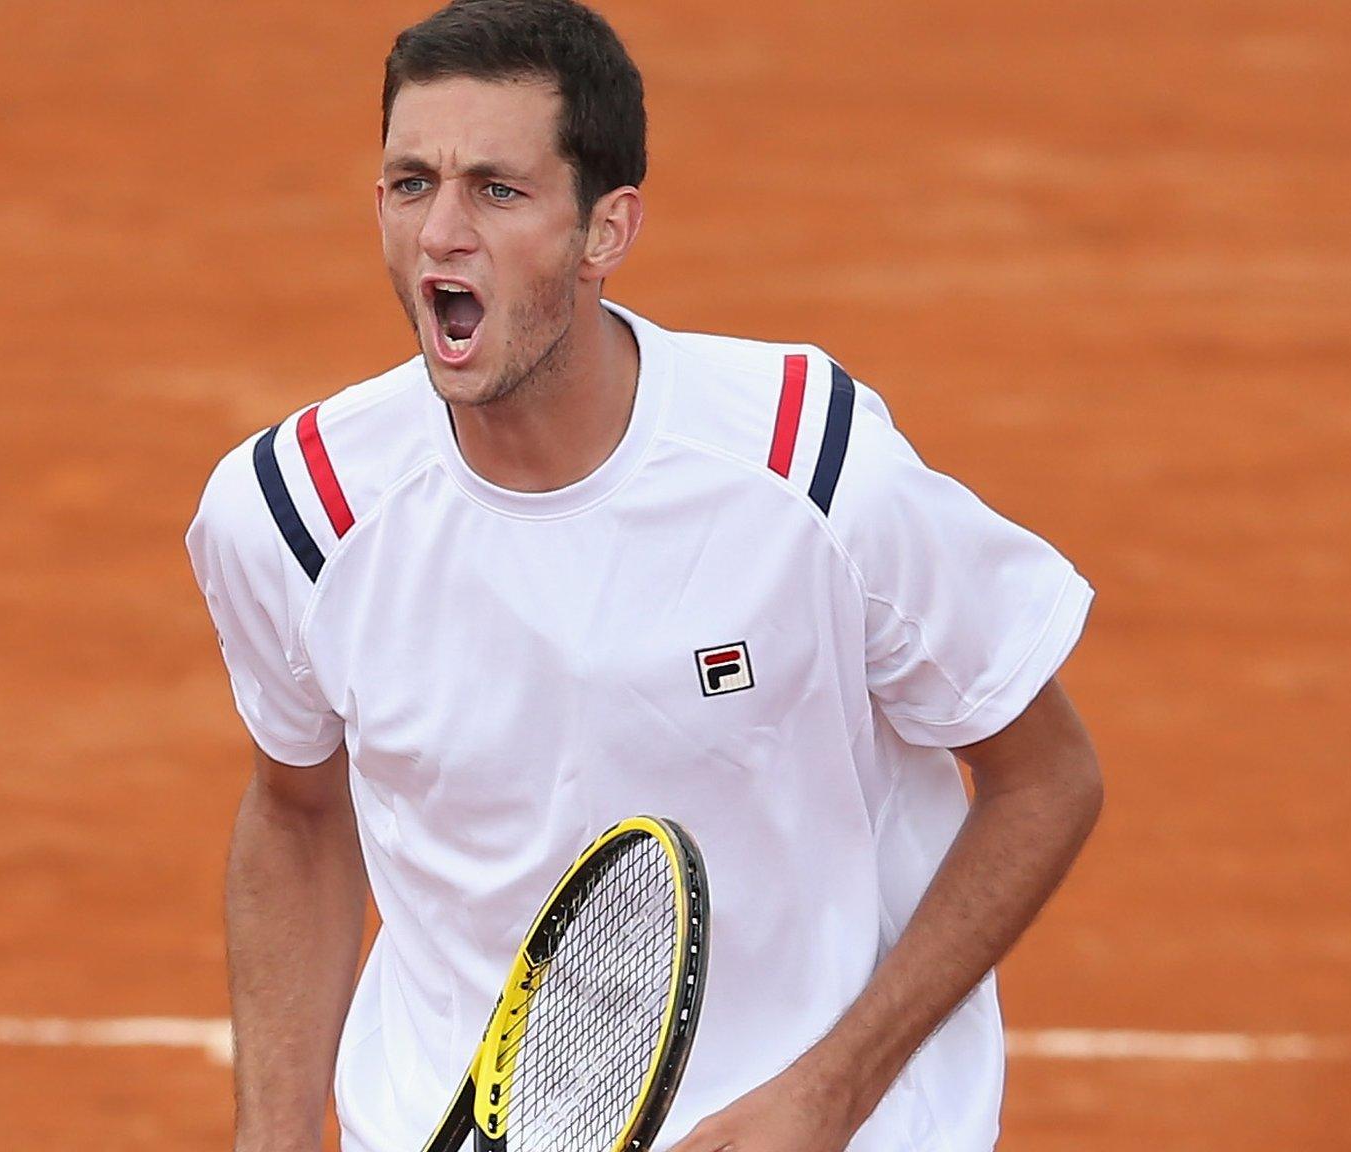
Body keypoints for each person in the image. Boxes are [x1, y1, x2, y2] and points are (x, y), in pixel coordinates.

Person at [183, 1, 1103, 1149]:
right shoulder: (294, 514)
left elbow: (1043, 777)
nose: (439, 235)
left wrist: (834, 1087)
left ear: (605, 232)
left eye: (497, 190)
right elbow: (295, 812)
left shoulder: (808, 473)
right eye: (409, 183)